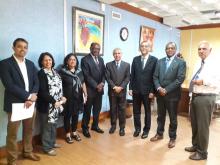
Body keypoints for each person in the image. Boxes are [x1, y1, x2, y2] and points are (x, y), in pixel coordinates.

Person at [0, 38, 40, 165]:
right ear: (13, 48)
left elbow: (36, 82)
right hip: (15, 104)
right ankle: (11, 160)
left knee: (29, 130)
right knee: (12, 134)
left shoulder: (30, 64)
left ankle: (27, 152)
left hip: (30, 104)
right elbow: (9, 85)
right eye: (19, 46)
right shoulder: (5, 64)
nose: (23, 49)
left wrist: (32, 96)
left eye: (25, 47)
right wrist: (28, 96)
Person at [185, 41, 220, 160]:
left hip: (206, 97)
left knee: (202, 126)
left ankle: (202, 152)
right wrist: (191, 95)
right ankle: (195, 146)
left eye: (204, 49)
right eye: (199, 49)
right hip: (196, 96)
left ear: (210, 50)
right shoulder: (198, 62)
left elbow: (217, 82)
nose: (201, 51)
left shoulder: (216, 63)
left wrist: (204, 82)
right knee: (194, 124)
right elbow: (194, 80)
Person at [150, 42, 186, 148]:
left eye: (172, 48)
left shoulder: (181, 62)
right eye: (168, 48)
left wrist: (166, 89)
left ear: (175, 50)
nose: (169, 50)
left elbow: (180, 79)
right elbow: (155, 76)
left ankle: (172, 138)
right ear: (165, 50)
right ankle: (159, 134)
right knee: (160, 116)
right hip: (160, 94)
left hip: (172, 95)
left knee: (173, 118)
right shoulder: (159, 61)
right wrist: (159, 88)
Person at [37, 52, 66, 156]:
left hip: (56, 105)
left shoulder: (55, 71)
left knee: (53, 125)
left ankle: (52, 142)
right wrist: (54, 101)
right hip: (47, 105)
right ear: (41, 62)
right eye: (45, 60)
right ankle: (47, 148)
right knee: (46, 127)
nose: (48, 62)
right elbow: (42, 92)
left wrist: (62, 97)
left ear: (52, 61)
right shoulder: (41, 73)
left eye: (49, 59)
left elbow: (59, 87)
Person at [129, 41, 158, 139]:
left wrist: (152, 91)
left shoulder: (154, 60)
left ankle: (146, 130)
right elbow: (132, 75)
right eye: (142, 46)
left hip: (147, 91)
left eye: (146, 46)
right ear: (140, 48)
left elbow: (155, 77)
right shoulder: (135, 59)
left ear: (150, 48)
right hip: (136, 90)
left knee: (147, 112)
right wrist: (130, 88)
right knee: (136, 111)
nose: (144, 48)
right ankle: (137, 129)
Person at [60, 53, 87, 143]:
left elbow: (83, 83)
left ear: (76, 61)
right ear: (67, 61)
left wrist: (85, 93)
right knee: (67, 116)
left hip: (78, 97)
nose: (72, 61)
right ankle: (67, 134)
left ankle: (74, 132)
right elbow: (59, 86)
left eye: (74, 59)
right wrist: (61, 97)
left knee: (75, 115)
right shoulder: (62, 72)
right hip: (67, 98)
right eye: (70, 59)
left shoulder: (79, 71)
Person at [81, 42, 106, 138]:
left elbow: (104, 73)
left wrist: (102, 83)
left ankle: (95, 126)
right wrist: (96, 85)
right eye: (95, 48)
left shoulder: (101, 59)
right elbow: (86, 76)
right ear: (90, 48)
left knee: (97, 109)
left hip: (100, 90)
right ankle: (85, 128)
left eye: (98, 49)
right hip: (90, 90)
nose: (96, 50)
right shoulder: (85, 60)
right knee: (87, 110)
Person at [105, 48, 130, 136]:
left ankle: (122, 128)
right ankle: (113, 126)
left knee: (122, 110)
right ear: (113, 55)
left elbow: (127, 78)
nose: (117, 55)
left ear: (121, 54)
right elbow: (108, 78)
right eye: (115, 53)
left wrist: (121, 87)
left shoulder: (127, 65)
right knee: (113, 109)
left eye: (119, 53)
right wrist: (114, 87)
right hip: (112, 91)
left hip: (122, 92)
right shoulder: (108, 65)